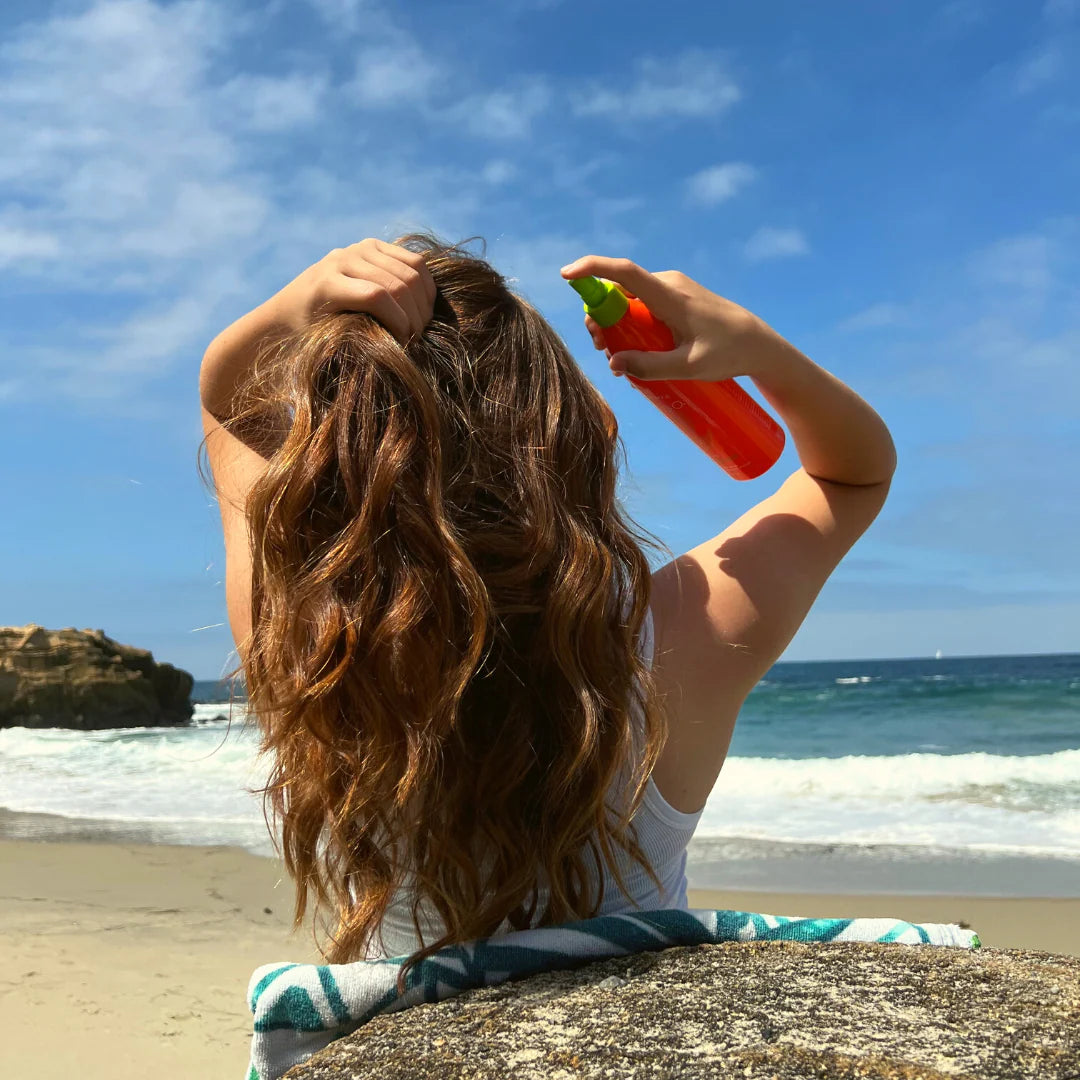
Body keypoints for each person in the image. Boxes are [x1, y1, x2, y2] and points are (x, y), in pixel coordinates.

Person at [198, 233, 896, 985]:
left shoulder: (311, 649)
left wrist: (292, 306)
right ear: (592, 427)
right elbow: (853, 476)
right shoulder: (670, 639)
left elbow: (225, 405)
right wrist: (761, 350)